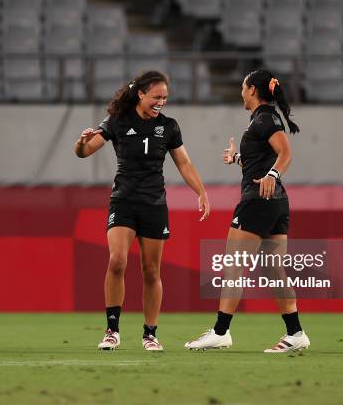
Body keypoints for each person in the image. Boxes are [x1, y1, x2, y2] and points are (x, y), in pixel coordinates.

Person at [74, 70, 210, 351]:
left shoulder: (169, 127)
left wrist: (201, 191)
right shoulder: (117, 122)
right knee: (117, 261)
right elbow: (85, 152)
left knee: (151, 271)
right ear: (140, 94)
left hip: (154, 204)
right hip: (123, 200)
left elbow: (184, 164)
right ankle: (112, 330)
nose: (161, 102)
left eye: (165, 97)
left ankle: (150, 334)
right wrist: (81, 142)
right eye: (156, 97)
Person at [185, 69, 310, 353]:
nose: (241, 91)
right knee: (273, 269)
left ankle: (220, 331)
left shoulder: (265, 118)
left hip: (258, 200)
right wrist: (238, 158)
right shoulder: (264, 118)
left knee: (234, 265)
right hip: (276, 202)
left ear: (252, 89)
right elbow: (261, 162)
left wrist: (273, 175)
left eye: (243, 87)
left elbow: (286, 153)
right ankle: (295, 333)